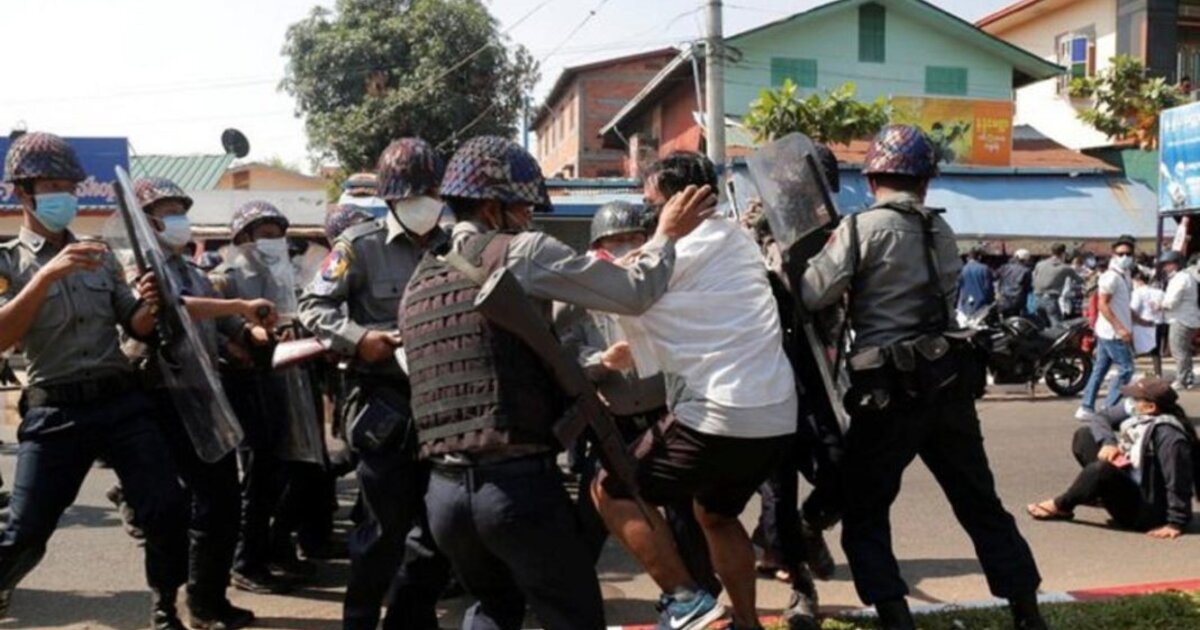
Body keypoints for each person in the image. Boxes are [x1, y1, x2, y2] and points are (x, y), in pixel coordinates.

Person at [400, 136, 714, 630]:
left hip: (443, 497)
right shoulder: (522, 252)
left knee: (493, 610)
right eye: (525, 208)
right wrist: (665, 236)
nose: (530, 219)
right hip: (516, 488)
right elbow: (634, 292)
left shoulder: (421, 280)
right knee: (574, 616)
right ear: (492, 207)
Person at [799, 125, 1045, 630]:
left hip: (887, 391)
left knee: (866, 511)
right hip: (948, 381)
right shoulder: (942, 230)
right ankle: (1027, 613)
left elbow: (812, 293)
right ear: (926, 182)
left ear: (872, 180)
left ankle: (896, 618)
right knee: (980, 504)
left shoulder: (861, 229)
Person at [592, 151, 798, 630]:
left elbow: (627, 292)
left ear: (680, 202)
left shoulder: (681, 250)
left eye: (651, 207)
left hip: (719, 413)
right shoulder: (738, 242)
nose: (647, 220)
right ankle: (745, 623)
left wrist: (658, 238)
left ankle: (686, 600)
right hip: (774, 418)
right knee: (715, 516)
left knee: (611, 489)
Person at [0, 131, 189, 628]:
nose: (64, 195)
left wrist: (151, 302)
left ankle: (165, 605)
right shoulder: (8, 262)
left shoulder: (98, 254)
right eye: (51, 186)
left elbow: (135, 324)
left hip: (120, 403)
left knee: (167, 506)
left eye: (70, 186)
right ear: (22, 192)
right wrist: (45, 277)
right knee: (25, 531)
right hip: (54, 410)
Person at [298, 138, 452, 630]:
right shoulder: (358, 246)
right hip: (385, 404)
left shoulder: (458, 243)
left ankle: (410, 621)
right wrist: (359, 338)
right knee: (383, 530)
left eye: (431, 192)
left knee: (441, 529)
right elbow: (313, 306)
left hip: (447, 405)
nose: (424, 202)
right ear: (390, 197)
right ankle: (361, 621)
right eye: (412, 193)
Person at [121, 177, 279, 629]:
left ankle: (207, 601)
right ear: (145, 221)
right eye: (167, 212)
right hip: (155, 401)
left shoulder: (193, 271)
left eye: (181, 211)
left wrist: (252, 330)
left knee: (221, 503)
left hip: (202, 397)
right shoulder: (135, 270)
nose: (178, 220)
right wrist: (238, 306)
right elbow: (174, 308)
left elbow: (223, 323)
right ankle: (164, 606)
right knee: (167, 510)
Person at [554, 201, 720, 598]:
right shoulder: (580, 292)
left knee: (683, 511)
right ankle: (571, 596)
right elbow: (563, 354)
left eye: (634, 238)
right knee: (595, 510)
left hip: (666, 414)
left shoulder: (661, 281)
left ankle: (701, 593)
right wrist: (600, 361)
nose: (627, 247)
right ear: (598, 248)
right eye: (616, 241)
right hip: (612, 422)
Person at [211, 201, 306, 595]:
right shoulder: (223, 279)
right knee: (254, 474)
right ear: (243, 238)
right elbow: (210, 329)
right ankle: (244, 561)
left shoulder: (280, 277)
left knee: (275, 470)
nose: (274, 242)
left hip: (276, 377)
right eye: (265, 234)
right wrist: (239, 341)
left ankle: (266, 552)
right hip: (241, 383)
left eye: (278, 234)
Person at [1028, 377, 1195, 538]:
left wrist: (1175, 523)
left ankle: (1061, 505)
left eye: (1136, 399)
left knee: (1101, 470)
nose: (1130, 403)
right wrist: (1109, 443)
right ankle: (1097, 492)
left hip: (1146, 513)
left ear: (1151, 407)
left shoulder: (1169, 436)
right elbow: (1101, 417)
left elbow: (1177, 479)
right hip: (1133, 482)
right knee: (1085, 436)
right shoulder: (1142, 418)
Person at [1077, 236, 1143, 420]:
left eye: (1128, 254)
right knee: (1126, 369)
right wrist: (1120, 328)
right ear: (1114, 254)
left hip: (1109, 330)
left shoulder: (1125, 274)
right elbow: (1103, 305)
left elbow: (1122, 304)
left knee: (1100, 369)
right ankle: (1108, 408)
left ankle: (1086, 406)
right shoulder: (1110, 277)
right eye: (1121, 254)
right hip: (1112, 333)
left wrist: (1139, 320)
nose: (1125, 257)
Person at [1161, 250, 1200, 390]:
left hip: (1181, 319)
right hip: (1188, 318)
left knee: (1178, 351)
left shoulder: (1180, 278)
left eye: (1168, 264)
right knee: (1184, 350)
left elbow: (1171, 302)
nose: (1165, 267)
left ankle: (1182, 380)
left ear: (1177, 264)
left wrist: (1159, 305)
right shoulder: (1187, 277)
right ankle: (1188, 377)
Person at [1032, 243, 1080, 327]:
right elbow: (1079, 280)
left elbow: (1034, 278)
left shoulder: (1039, 264)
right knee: (1057, 328)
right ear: (1063, 253)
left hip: (1037, 299)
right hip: (1051, 299)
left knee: (1042, 327)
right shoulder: (1065, 268)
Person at [1130, 268, 1164, 359]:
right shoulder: (1159, 292)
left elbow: (1133, 308)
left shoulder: (1137, 292)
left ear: (1139, 281)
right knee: (1156, 351)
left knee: (1141, 350)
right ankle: (1158, 368)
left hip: (1143, 324)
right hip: (1158, 323)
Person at [956, 246, 994, 321]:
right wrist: (991, 301)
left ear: (968, 258)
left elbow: (958, 287)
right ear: (979, 257)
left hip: (965, 306)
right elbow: (988, 288)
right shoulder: (984, 269)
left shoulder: (963, 269)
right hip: (981, 307)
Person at [996, 249, 1032, 318]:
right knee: (1016, 319)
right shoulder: (1026, 271)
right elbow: (1028, 287)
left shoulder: (1005, 267)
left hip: (1004, 298)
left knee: (1005, 318)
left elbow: (995, 276)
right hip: (1018, 300)